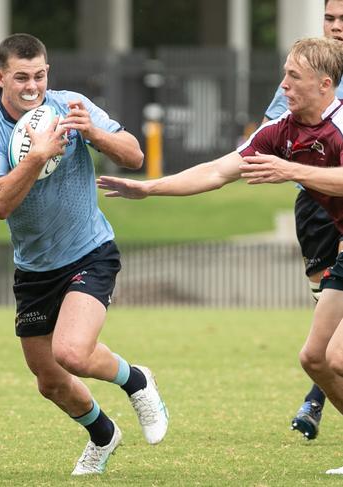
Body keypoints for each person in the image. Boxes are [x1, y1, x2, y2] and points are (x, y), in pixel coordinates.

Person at [98, 36, 343, 475]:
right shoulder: (282, 130)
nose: (283, 84)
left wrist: (291, 171)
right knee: (315, 359)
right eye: (284, 72)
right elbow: (217, 171)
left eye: (294, 76)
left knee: (340, 357)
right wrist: (149, 187)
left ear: (326, 84)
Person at [0, 33, 168, 476]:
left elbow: (134, 156)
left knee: (73, 353)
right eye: (21, 77)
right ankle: (103, 434)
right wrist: (36, 158)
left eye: (39, 75)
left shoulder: (70, 105)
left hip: (89, 251)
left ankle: (137, 380)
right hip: (35, 269)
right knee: (51, 381)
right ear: (0, 77)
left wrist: (93, 131)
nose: (32, 86)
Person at [260, 0, 343, 441]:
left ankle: (317, 395)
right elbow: (268, 136)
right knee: (323, 318)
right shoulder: (304, 71)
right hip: (315, 202)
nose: (335, 26)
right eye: (329, 18)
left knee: (332, 349)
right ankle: (322, 381)